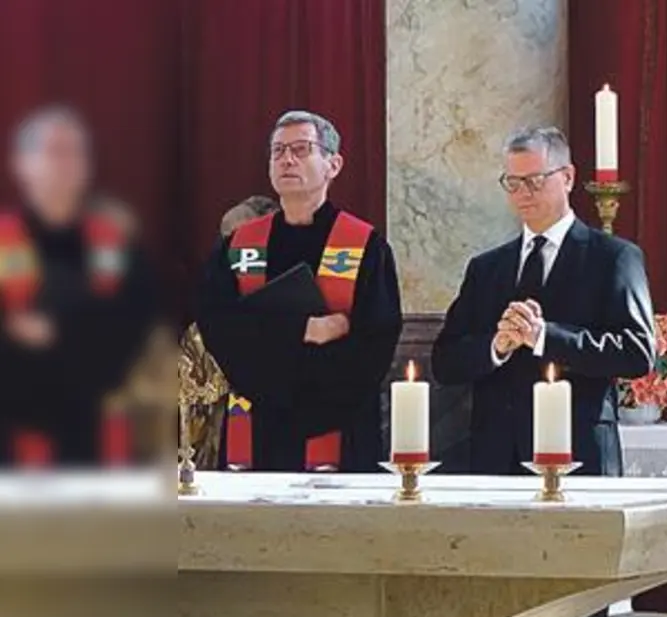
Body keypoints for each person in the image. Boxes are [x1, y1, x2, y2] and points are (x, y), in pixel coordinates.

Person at [431, 126, 654, 617]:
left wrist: (547, 338)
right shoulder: (489, 267)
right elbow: (446, 359)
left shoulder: (612, 256)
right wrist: (496, 347)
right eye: (512, 183)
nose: (523, 195)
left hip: (580, 462)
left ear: (568, 178)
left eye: (534, 180)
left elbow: (637, 352)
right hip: (499, 463)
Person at [196, 111, 401, 473]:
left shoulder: (365, 245)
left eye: (301, 149)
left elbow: (377, 337)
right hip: (257, 419)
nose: (287, 159)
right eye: (278, 151)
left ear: (333, 164)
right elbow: (219, 326)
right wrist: (305, 331)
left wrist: (311, 397)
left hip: (340, 422)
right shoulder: (239, 245)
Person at [0, 106, 159, 467]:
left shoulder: (113, 243)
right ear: (22, 163)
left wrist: (56, 333)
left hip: (92, 421)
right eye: (53, 151)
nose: (65, 163)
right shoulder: (4, 238)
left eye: (75, 152)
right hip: (11, 425)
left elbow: (134, 319)